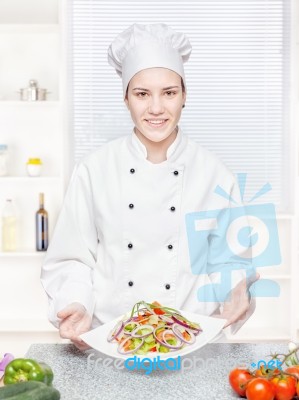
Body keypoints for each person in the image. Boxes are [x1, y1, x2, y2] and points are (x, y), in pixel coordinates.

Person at [41, 23, 258, 351]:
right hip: (109, 343)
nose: (156, 108)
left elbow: (231, 261)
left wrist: (237, 287)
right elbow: (71, 258)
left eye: (169, 92)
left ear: (185, 96)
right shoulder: (93, 170)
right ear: (126, 97)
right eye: (142, 93)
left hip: (192, 344)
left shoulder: (215, 174)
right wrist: (77, 304)